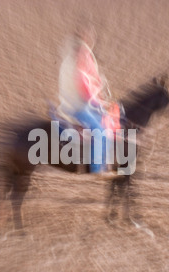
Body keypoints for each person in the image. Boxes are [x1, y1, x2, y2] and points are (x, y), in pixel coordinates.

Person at [57, 31, 121, 175]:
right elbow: (87, 95)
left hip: (69, 104)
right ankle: (97, 169)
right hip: (77, 108)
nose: (85, 54)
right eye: (83, 51)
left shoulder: (67, 63)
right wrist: (103, 104)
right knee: (101, 131)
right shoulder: (77, 71)